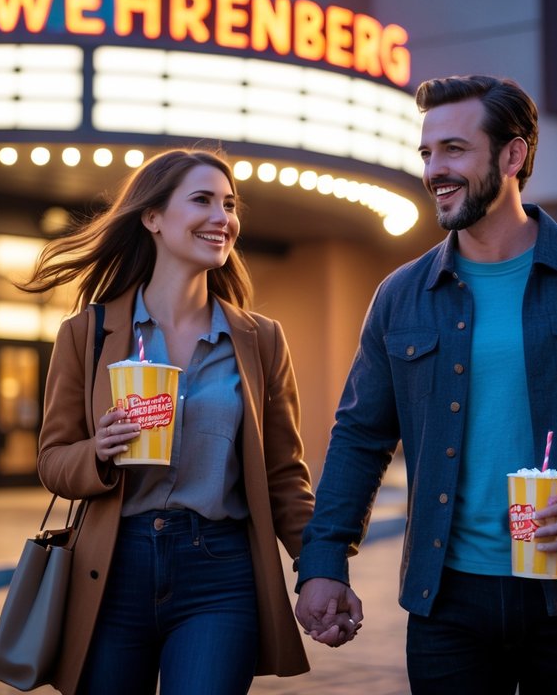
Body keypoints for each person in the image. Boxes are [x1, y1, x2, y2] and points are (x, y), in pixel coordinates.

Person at [294, 75, 557, 693]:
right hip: (445, 598)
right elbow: (359, 437)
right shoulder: (401, 296)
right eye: (427, 153)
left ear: (513, 156)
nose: (434, 169)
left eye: (454, 149)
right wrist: (324, 561)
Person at [21, 148, 327, 695]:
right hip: (113, 569)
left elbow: (285, 475)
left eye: (229, 205)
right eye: (203, 200)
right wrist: (99, 450)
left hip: (220, 573)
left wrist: (319, 565)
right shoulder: (85, 334)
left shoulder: (260, 340)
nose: (223, 217)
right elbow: (52, 461)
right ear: (153, 217)